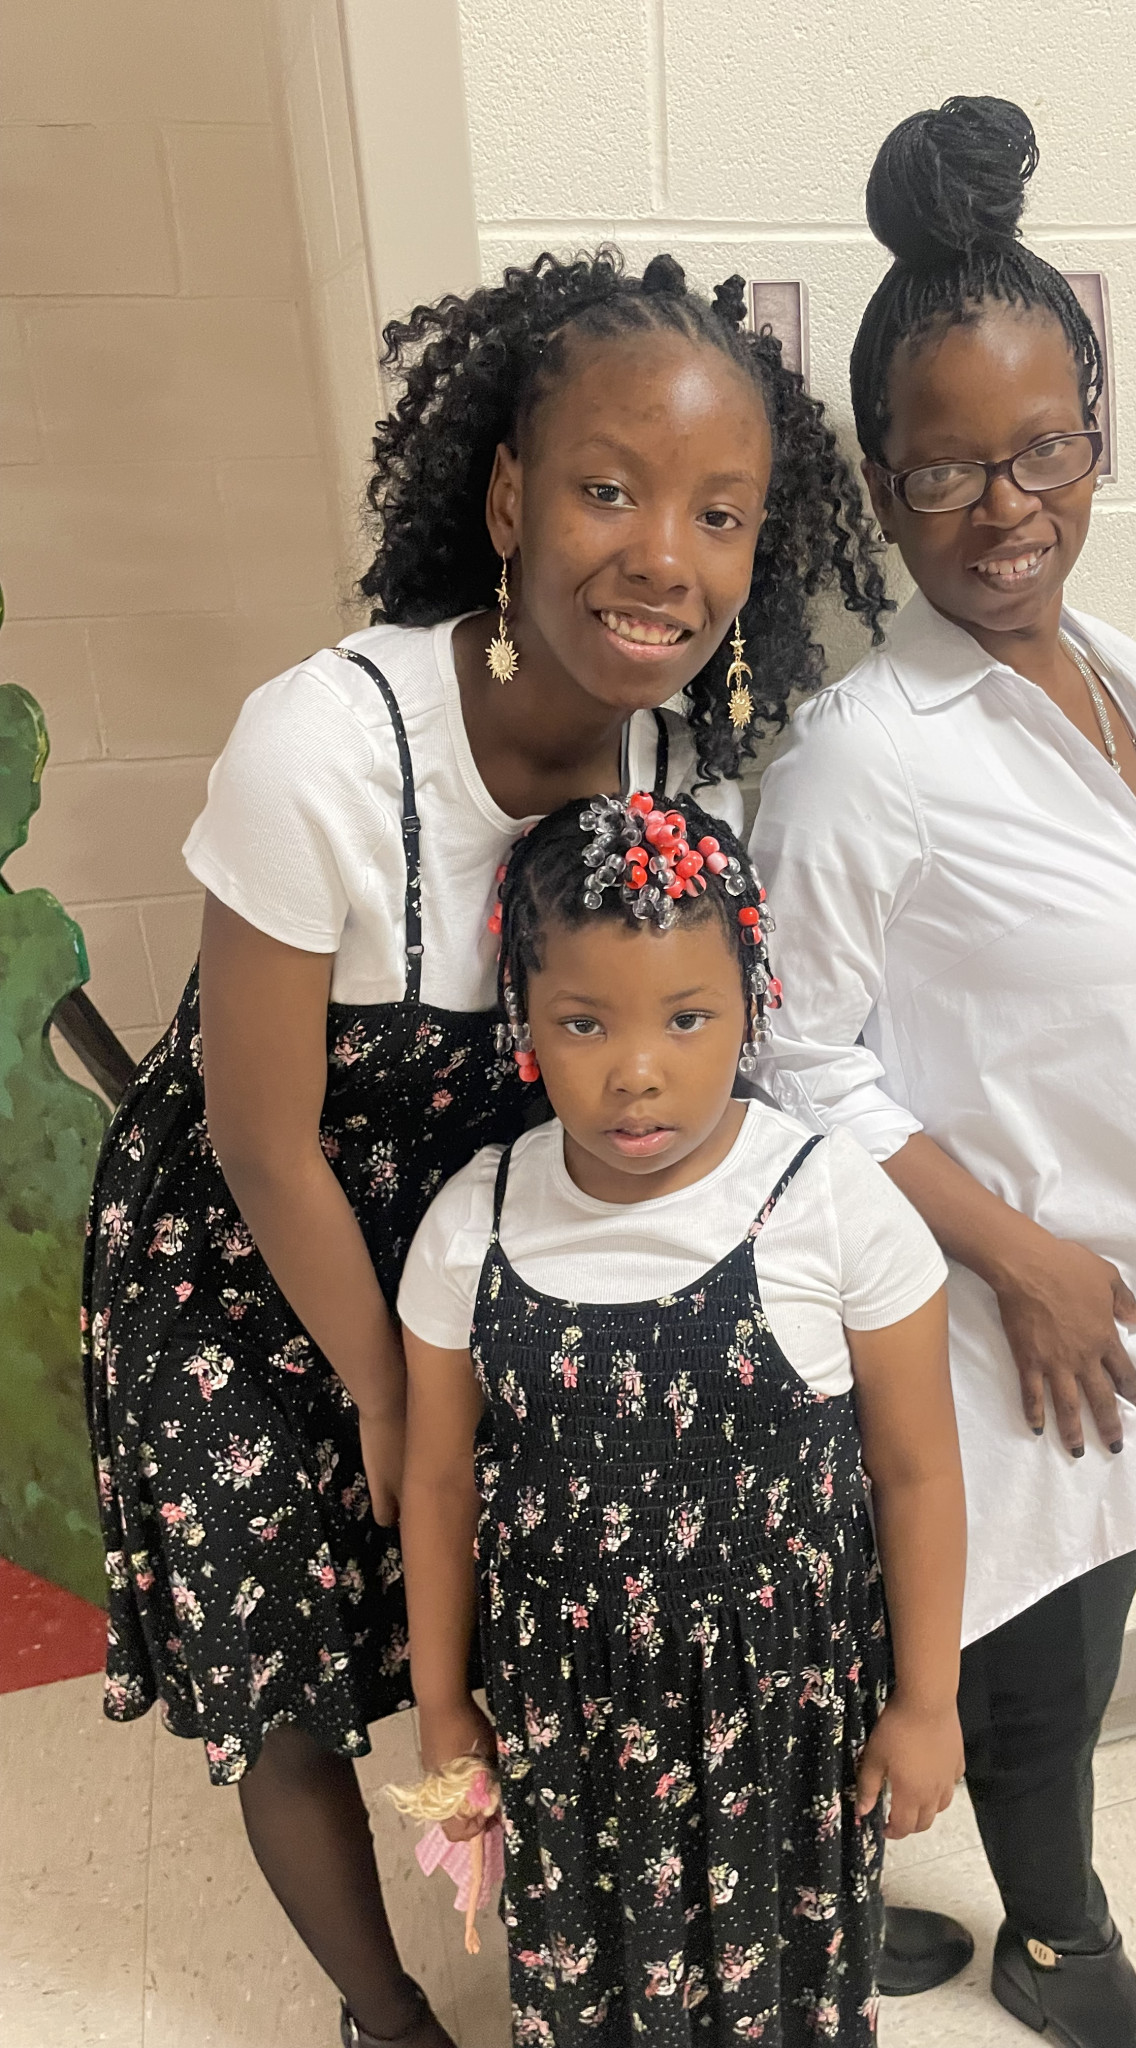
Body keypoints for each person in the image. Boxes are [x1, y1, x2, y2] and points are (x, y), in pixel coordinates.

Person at [83, 249, 887, 2048]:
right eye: (609, 489)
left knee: (521, 1592)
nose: (664, 555)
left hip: (476, 1246)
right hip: (247, 1254)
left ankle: (624, 1908)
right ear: (511, 498)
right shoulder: (322, 747)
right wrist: (389, 1390)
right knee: (290, 1667)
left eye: (720, 513)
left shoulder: (678, 780)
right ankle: (386, 2012)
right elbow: (259, 1135)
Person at [750, 98, 1136, 2048]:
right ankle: (1061, 1945)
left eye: (1041, 450)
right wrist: (1019, 1259)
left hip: (1118, 1264)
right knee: (1028, 1653)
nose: (1004, 507)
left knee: (1059, 1618)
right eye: (945, 470)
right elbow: (790, 1063)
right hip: (982, 1301)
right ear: (881, 482)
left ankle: (837, 1895)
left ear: (1097, 433)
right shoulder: (866, 759)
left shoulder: (1122, 682)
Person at [393, 789, 968, 2046]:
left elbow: (918, 1468)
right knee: (595, 1979)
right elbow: (436, 1479)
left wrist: (929, 1702)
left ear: (752, 1006)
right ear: (525, 1019)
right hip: (568, 1708)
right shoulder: (474, 1219)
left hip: (784, 1704)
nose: (637, 1069)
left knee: (785, 1985)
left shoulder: (832, 1202)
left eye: (687, 1017)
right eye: (584, 1021)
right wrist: (443, 1700)